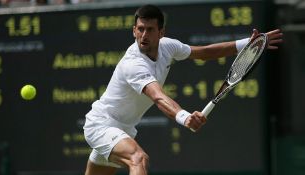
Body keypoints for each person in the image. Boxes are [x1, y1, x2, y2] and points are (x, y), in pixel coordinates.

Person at [83, 4, 283, 175]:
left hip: (124, 128)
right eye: (140, 29)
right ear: (134, 30)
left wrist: (248, 44)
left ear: (161, 33)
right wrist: (185, 117)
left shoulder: (168, 47)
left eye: (150, 30)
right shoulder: (133, 64)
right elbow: (158, 97)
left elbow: (205, 53)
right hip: (101, 124)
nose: (144, 35)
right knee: (139, 158)